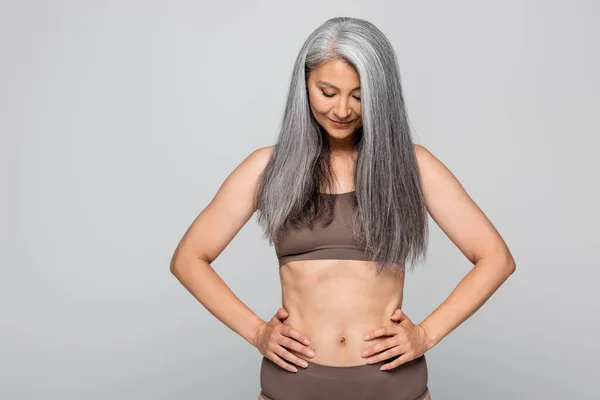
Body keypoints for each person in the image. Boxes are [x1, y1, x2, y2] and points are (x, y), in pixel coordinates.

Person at [170, 17, 516, 400]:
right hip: (292, 389)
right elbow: (188, 258)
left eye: (358, 94)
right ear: (304, 87)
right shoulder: (267, 167)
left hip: (394, 389)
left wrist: (426, 334)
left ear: (380, 95)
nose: (343, 109)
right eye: (328, 91)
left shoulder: (412, 166)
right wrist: (256, 331)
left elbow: (495, 258)